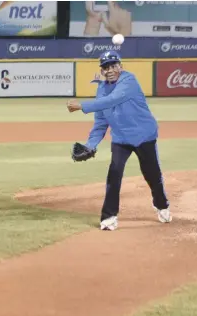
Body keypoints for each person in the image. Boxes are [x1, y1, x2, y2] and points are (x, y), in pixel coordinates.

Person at [67, 50, 171, 231]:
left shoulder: (129, 81)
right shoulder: (101, 89)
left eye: (113, 66)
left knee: (152, 175)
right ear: (102, 71)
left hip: (143, 135)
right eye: (105, 67)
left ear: (120, 67)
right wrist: (90, 144)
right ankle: (109, 217)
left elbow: (113, 99)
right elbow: (100, 123)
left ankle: (161, 205)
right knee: (114, 174)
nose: (110, 70)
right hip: (121, 138)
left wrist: (81, 106)